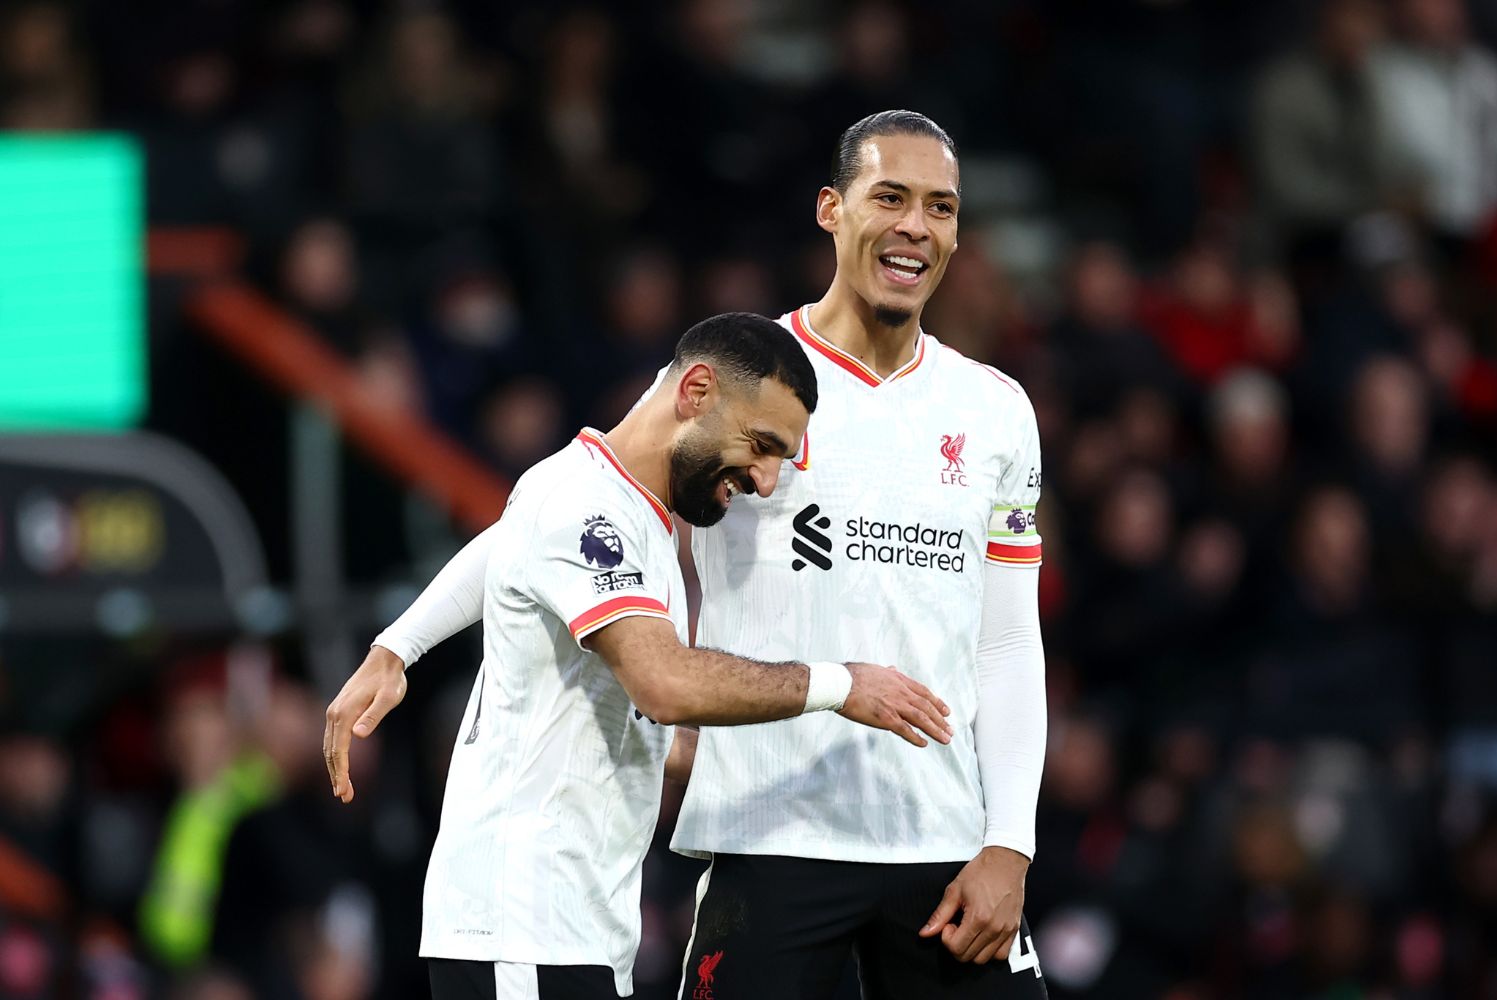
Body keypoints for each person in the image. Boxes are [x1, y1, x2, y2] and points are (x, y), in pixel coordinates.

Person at [336, 111, 1051, 999]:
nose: (916, 226)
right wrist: (401, 642)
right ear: (832, 209)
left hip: (942, 842)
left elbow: (1011, 643)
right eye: (890, 198)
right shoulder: (741, 376)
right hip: (766, 833)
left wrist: (1009, 840)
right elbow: (557, 518)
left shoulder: (995, 412)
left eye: (940, 208)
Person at [322, 311, 955, 1000]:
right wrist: (841, 685)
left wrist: (397, 647)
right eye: (763, 444)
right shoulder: (589, 507)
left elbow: (509, 542)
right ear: (698, 393)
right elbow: (663, 684)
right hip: (526, 932)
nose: (768, 481)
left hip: (573, 934)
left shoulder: (617, 504)